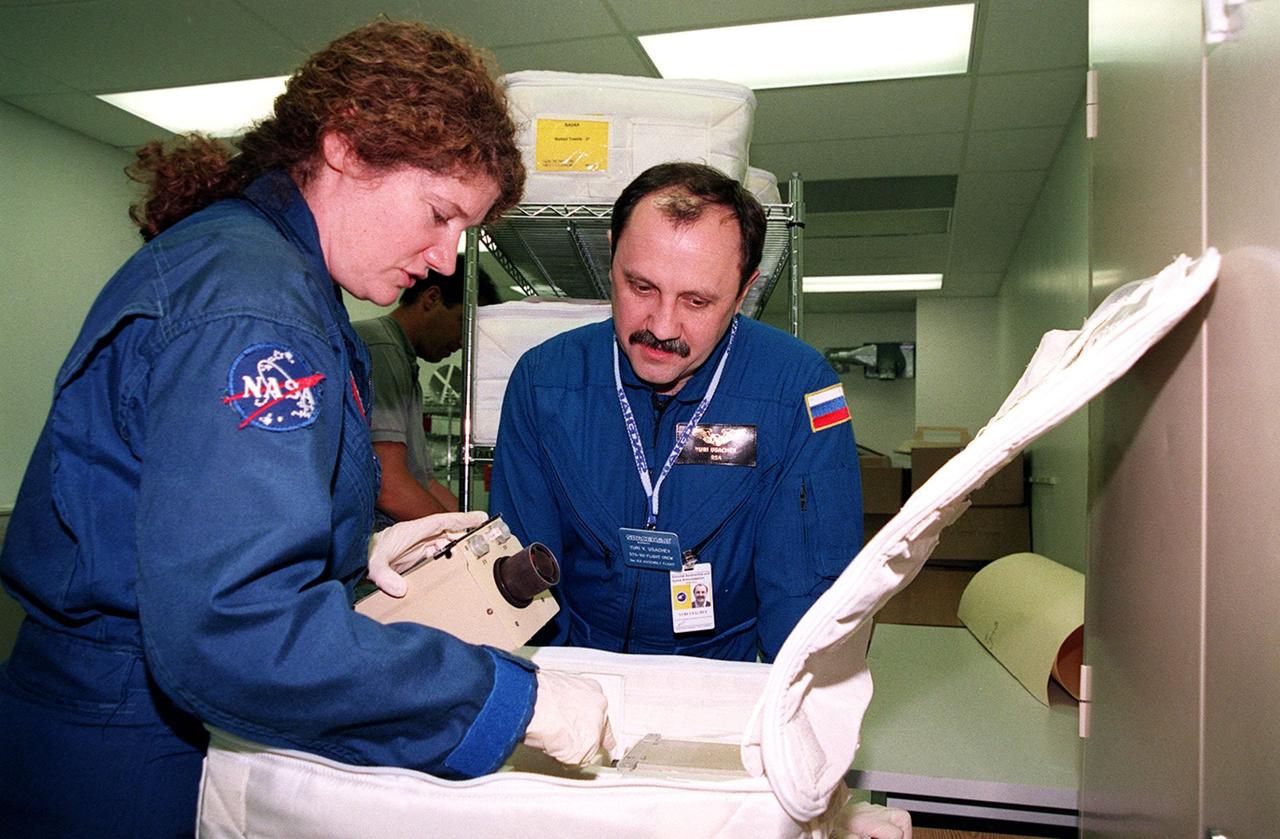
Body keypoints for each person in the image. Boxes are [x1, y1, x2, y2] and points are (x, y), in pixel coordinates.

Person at [0, 21, 610, 837]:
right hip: (123, 738)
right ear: (347, 149)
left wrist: (347, 551)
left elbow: (176, 515)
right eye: (438, 214)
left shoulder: (261, 270)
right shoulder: (255, 308)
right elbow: (232, 626)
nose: (443, 258)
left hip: (130, 704)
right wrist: (505, 696)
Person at [489, 162, 863, 663]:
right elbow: (522, 568)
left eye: (697, 300)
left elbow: (803, 593)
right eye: (641, 287)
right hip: (573, 658)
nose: (662, 326)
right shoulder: (544, 380)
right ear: (611, 256)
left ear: (744, 291)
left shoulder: (797, 388)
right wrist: (542, 682)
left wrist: (787, 716)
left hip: (716, 668)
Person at [354, 256, 499, 526]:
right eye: (462, 324)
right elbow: (390, 488)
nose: (462, 342)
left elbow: (426, 481)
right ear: (432, 299)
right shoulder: (381, 350)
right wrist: (461, 542)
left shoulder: (402, 358)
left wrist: (480, 530)